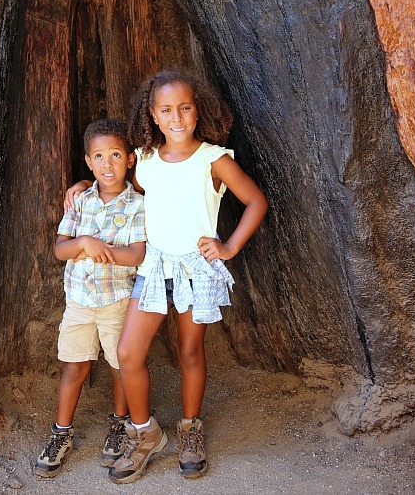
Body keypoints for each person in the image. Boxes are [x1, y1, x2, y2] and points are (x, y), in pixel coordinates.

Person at [65, 70, 268, 484]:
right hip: (154, 267)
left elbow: (255, 202)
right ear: (153, 116)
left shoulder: (214, 160)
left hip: (194, 269)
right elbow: (120, 185)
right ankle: (146, 434)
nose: (176, 118)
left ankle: (190, 429)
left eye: (185, 108)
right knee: (128, 352)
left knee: (189, 351)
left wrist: (229, 247)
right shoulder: (146, 159)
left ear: (198, 111)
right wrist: (85, 182)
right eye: (166, 110)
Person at [33, 119, 148, 479]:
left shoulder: (137, 205)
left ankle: (120, 423)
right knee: (75, 366)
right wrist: (84, 242)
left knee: (120, 365)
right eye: (99, 156)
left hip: (117, 300)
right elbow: (61, 249)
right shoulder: (80, 201)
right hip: (79, 301)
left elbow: (137, 255)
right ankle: (61, 433)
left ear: (130, 159)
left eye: (115, 155)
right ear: (88, 161)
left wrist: (99, 250)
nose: (107, 164)